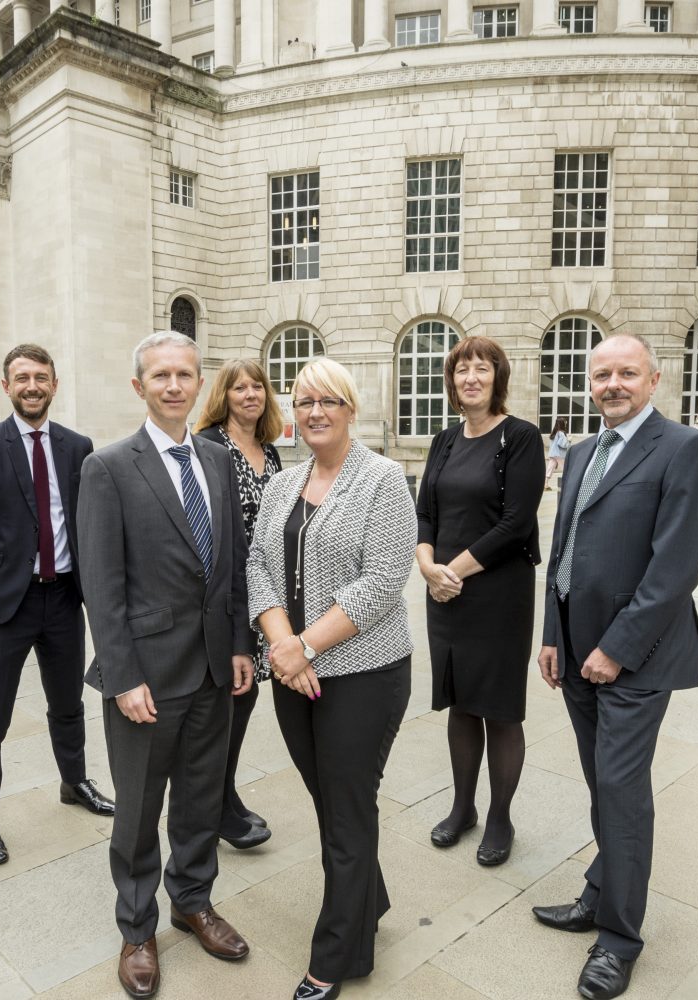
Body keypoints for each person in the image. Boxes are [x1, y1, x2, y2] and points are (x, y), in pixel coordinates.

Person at [532, 333, 698, 1000]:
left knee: (620, 788)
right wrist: (553, 635)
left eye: (627, 373)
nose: (613, 383)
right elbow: (564, 555)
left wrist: (616, 648)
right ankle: (598, 891)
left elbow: (675, 569)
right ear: (589, 382)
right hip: (577, 652)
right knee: (600, 784)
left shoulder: (685, 449)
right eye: (602, 373)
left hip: (636, 658)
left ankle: (617, 940)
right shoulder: (581, 452)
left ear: (654, 379)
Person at [78, 332, 256, 999]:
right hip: (146, 678)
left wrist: (240, 644)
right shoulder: (109, 467)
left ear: (197, 381)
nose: (175, 386)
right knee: (139, 808)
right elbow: (101, 582)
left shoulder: (217, 459)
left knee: (202, 799)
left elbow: (233, 566)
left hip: (214, 669)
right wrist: (122, 676)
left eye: (185, 374)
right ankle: (136, 927)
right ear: (139, 387)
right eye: (161, 376)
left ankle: (193, 900)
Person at [248, 358, 416, 1000]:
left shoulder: (382, 481)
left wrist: (303, 647)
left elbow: (380, 583)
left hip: (363, 674)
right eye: (305, 400)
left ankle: (336, 955)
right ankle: (368, 901)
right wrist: (282, 645)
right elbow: (259, 565)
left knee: (346, 811)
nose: (315, 412)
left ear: (351, 409)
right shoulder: (283, 483)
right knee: (332, 803)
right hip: (294, 675)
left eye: (329, 401)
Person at [0, 344, 113, 868]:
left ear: (54, 384)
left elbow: (86, 518)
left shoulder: (78, 446)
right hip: (4, 606)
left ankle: (74, 780)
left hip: (63, 598)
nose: (32, 386)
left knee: (68, 704)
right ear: (6, 387)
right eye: (22, 378)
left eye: (41, 377)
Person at [416, 336, 543, 867]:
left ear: (498, 377)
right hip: (445, 593)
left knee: (497, 709)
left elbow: (516, 524)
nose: (471, 377)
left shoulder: (520, 438)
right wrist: (426, 567)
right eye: (461, 369)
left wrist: (452, 570)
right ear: (451, 381)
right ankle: (463, 807)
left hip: (496, 592)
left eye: (481, 369)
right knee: (461, 702)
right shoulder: (445, 440)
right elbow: (424, 512)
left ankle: (499, 817)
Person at [194, 359, 284, 852]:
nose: (249, 395)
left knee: (243, 703)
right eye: (238, 388)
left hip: (262, 596)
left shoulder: (270, 452)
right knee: (225, 705)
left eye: (257, 387)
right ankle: (216, 804)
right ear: (223, 396)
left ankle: (221, 796)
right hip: (226, 596)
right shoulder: (209, 445)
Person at [546, 415, 570, 489]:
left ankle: (545, 483)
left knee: (550, 468)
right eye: (565, 422)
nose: (566, 424)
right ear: (562, 423)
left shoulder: (554, 433)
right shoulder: (561, 433)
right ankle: (566, 484)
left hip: (553, 454)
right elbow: (562, 444)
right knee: (565, 468)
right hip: (559, 454)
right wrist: (569, 440)